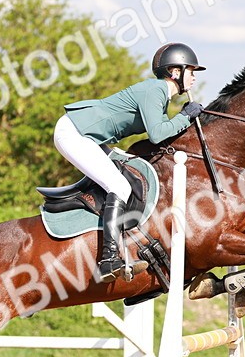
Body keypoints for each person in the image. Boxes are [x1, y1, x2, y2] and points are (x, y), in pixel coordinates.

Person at [55, 42, 206, 282]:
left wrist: (183, 119)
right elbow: (157, 134)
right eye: (191, 71)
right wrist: (185, 116)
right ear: (175, 72)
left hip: (90, 137)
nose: (194, 78)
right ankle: (108, 260)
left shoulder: (160, 95)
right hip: (74, 132)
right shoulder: (155, 90)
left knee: (130, 173)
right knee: (121, 186)